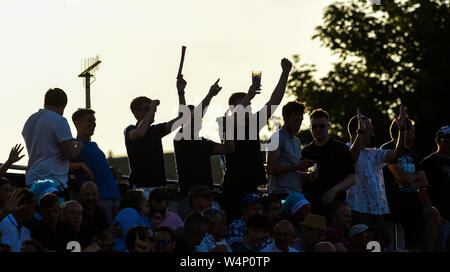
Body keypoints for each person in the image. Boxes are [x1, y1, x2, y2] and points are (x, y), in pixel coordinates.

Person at [221, 58, 293, 222]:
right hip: (234, 187)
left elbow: (274, 102)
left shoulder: (253, 125)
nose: (247, 110)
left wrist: (285, 73)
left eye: (248, 107)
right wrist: (250, 95)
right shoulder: (227, 124)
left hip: (251, 185)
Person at [381, 119, 441, 252]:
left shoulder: (412, 153)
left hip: (413, 204)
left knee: (432, 213)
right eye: (413, 131)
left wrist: (409, 181)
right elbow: (400, 176)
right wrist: (411, 180)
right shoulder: (387, 149)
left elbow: (425, 182)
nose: (415, 134)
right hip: (396, 206)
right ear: (405, 131)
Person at [346, 106, 407, 229]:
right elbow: (352, 158)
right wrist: (361, 132)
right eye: (369, 129)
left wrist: (402, 130)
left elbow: (397, 153)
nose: (372, 133)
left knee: (377, 246)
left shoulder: (372, 153)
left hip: (376, 209)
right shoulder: (345, 150)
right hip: (357, 209)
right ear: (358, 130)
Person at [125, 76, 186, 193]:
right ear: (136, 112)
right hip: (140, 188)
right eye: (146, 109)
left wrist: (180, 92)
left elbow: (182, 118)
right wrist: (152, 106)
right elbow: (140, 133)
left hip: (159, 188)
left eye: (152, 109)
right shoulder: (130, 130)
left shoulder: (156, 130)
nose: (152, 112)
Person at [174, 79, 234, 198]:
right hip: (189, 197)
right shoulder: (180, 137)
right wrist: (210, 95)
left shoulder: (203, 141)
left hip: (207, 194)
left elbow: (228, 149)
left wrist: (228, 127)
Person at [22, 88, 84, 189]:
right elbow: (71, 154)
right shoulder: (59, 120)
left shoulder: (31, 120)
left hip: (31, 180)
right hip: (52, 181)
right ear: (63, 105)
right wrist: (79, 145)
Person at [301, 109, 356, 218]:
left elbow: (352, 178)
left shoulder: (341, 148)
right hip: (311, 206)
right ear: (310, 128)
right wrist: (306, 176)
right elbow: (297, 177)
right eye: (314, 126)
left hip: (336, 206)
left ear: (328, 126)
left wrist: (333, 190)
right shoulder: (305, 151)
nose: (317, 129)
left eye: (321, 126)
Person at [71, 108, 121, 225]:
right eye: (89, 120)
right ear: (77, 123)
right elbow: (62, 165)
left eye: (94, 120)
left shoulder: (94, 145)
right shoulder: (76, 144)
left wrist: (112, 169)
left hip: (115, 197)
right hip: (100, 199)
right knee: (107, 234)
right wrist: (82, 165)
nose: (93, 124)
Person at [266, 101, 315, 198]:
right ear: (285, 119)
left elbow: (293, 171)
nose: (299, 124)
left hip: (295, 193)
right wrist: (297, 166)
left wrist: (308, 175)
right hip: (279, 194)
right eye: (296, 121)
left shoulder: (297, 141)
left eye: (301, 121)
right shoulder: (276, 138)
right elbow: (270, 169)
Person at [421, 125, 450, 251]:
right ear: (437, 141)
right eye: (446, 141)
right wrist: (434, 214)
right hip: (439, 219)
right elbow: (421, 190)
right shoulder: (428, 163)